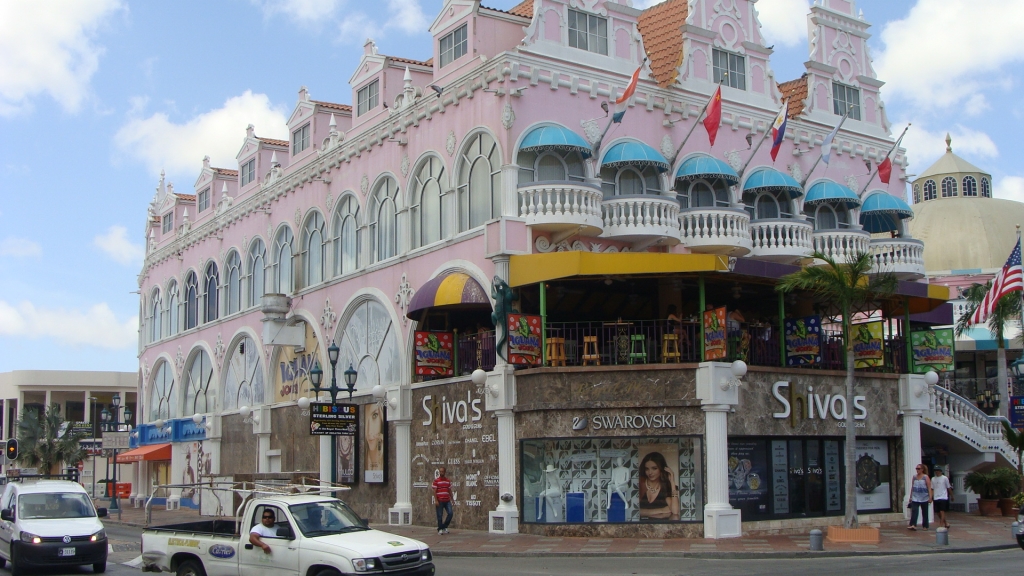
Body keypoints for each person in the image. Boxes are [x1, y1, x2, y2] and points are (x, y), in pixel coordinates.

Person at [638, 451, 679, 521]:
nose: (650, 472)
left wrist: (672, 482)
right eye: (647, 469)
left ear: (661, 469)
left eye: (654, 468)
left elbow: (675, 511)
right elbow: (634, 511)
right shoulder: (640, 486)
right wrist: (662, 510)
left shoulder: (666, 487)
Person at [908, 463, 933, 530]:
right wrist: (910, 496)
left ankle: (925, 526)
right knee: (914, 511)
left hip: (924, 497)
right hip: (915, 497)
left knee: (924, 512)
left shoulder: (925, 477)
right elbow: (912, 487)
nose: (917, 470)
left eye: (918, 469)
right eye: (916, 468)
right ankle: (913, 524)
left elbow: (929, 487)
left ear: (922, 469)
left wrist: (930, 497)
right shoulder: (914, 477)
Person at [432, 466, 453, 535]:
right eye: (440, 471)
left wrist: (452, 499)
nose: (441, 473)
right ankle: (440, 529)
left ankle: (444, 526)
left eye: (442, 471)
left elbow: (449, 490)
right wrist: (436, 500)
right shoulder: (436, 481)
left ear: (445, 472)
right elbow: (434, 491)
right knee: (440, 515)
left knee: (450, 513)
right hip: (440, 500)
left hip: (447, 500)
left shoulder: (447, 481)